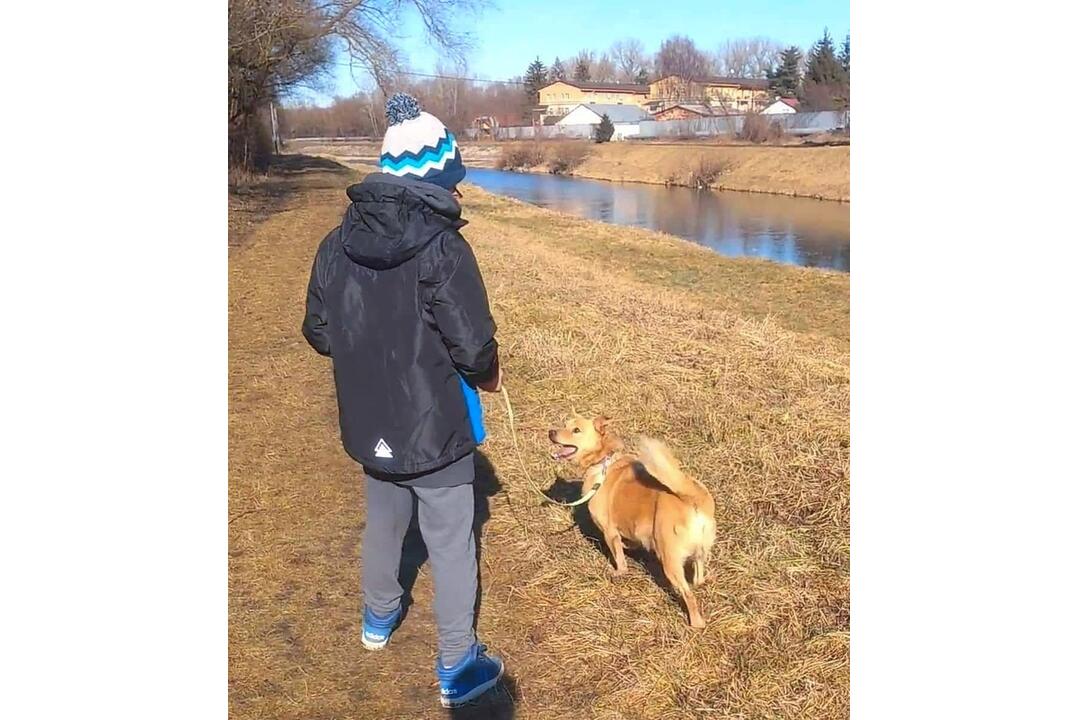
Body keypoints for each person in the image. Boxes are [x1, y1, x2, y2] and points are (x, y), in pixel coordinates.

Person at [302, 93, 504, 708]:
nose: (459, 192)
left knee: (385, 521)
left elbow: (318, 331)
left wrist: (365, 354)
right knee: (449, 539)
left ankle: (377, 619)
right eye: (453, 179)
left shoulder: (336, 244)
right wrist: (489, 375)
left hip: (370, 422)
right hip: (435, 424)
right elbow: (473, 345)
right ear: (433, 176)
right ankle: (457, 664)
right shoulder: (443, 248)